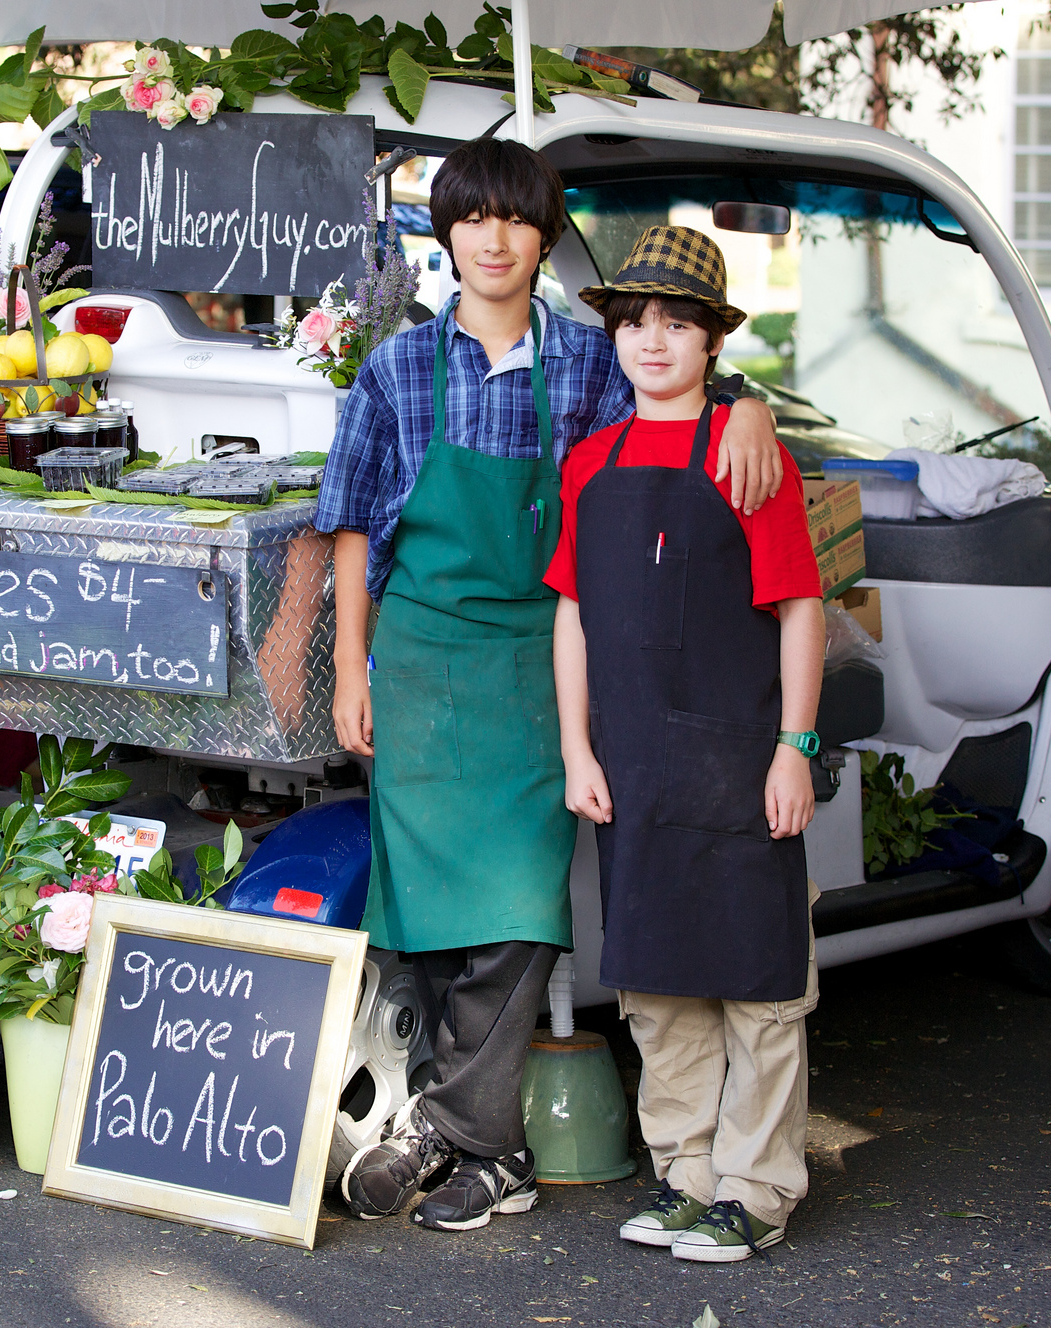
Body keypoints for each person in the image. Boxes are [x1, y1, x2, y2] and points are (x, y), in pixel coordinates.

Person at [316, 140, 783, 1234]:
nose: (495, 239)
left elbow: (679, 394)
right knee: (428, 920)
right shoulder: (395, 367)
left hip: (543, 657)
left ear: (544, 238)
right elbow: (350, 526)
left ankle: (448, 1128)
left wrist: (748, 404)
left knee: (521, 909)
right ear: (445, 235)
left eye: (517, 220)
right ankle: (495, 1150)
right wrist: (348, 670)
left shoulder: (586, 358)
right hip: (422, 658)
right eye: (473, 218)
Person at [547, 225, 826, 1262]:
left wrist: (794, 745)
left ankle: (756, 1188)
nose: (652, 340)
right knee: (658, 990)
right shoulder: (591, 462)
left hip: (743, 761)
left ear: (713, 341)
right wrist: (577, 748)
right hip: (633, 764)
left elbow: (800, 608)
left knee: (759, 988)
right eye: (634, 322)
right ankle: (686, 1175)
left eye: (676, 323)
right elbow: (572, 613)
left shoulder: (749, 452)